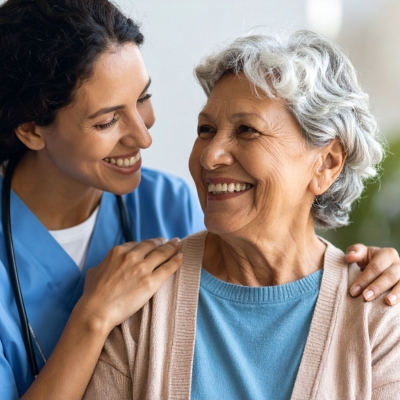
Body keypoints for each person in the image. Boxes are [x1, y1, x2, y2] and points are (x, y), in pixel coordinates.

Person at [84, 30, 400, 399]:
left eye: (247, 130)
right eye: (206, 130)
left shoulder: (378, 316)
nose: (209, 155)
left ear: (326, 164)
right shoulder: (142, 297)